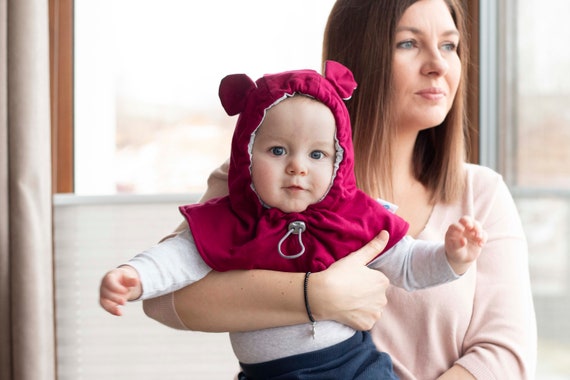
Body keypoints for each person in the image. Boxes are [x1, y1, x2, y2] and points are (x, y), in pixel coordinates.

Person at [141, 0, 537, 379]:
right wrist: (316, 295)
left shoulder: (481, 193)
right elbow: (165, 299)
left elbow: (505, 354)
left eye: (449, 45)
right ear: (356, 59)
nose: (438, 65)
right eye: (409, 43)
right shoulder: (263, 177)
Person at [100, 61, 486, 379]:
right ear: (247, 152)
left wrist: (452, 258)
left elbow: (407, 264)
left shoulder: (352, 217)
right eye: (278, 150)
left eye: (317, 155)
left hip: (351, 370)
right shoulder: (232, 218)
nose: (297, 167)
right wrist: (135, 276)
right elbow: (180, 257)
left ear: (339, 160)